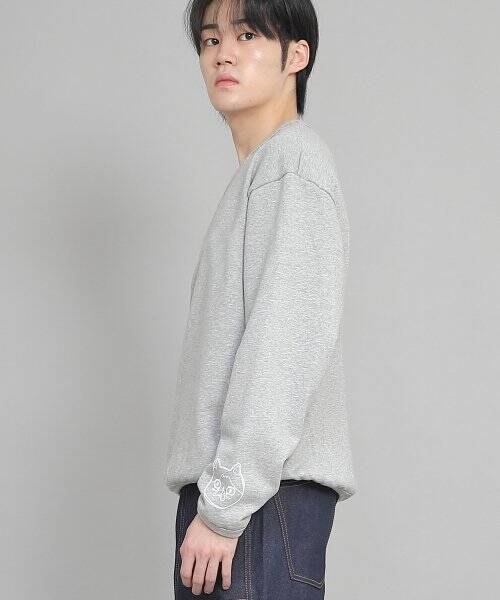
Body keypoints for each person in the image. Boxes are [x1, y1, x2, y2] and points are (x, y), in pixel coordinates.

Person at [164, 0, 358, 597]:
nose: (223, 53)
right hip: (245, 502)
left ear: (296, 55)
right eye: (210, 39)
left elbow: (283, 349)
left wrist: (224, 507)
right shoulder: (263, 174)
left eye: (247, 35)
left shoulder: (291, 168)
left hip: (257, 508)